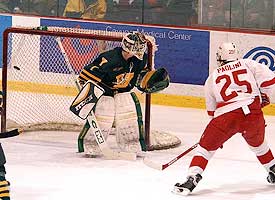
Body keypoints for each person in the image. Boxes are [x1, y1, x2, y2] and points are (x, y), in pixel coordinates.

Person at [173, 42, 275, 195]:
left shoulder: (212, 77)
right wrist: (264, 98)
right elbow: (270, 81)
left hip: (226, 117)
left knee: (204, 150)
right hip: (253, 113)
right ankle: (273, 169)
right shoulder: (248, 64)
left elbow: (212, 113)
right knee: (259, 145)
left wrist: (215, 137)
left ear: (220, 57)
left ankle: (191, 178)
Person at [77, 32, 170, 156]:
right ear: (128, 46)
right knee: (104, 114)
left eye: (141, 46)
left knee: (128, 113)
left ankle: (130, 144)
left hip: (124, 91)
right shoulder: (109, 59)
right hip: (106, 92)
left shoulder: (140, 60)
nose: (140, 49)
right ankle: (91, 144)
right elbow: (86, 75)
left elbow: (139, 78)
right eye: (137, 46)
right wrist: (86, 90)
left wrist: (148, 81)